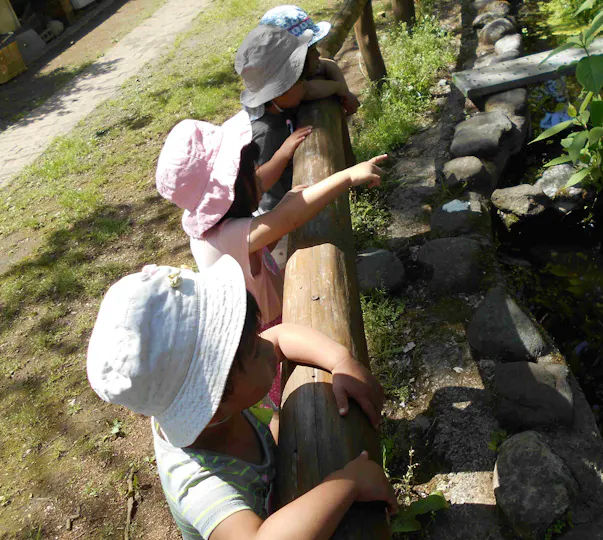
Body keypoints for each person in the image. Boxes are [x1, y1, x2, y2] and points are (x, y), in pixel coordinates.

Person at [86, 256, 397, 539]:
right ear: (212, 398)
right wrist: (347, 484)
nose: (266, 345)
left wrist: (340, 360)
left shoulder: (218, 405)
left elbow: (280, 336)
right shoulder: (202, 486)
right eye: (253, 348)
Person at [155, 110, 387, 411]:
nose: (258, 173)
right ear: (230, 194)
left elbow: (261, 187)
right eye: (250, 170)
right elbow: (287, 219)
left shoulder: (219, 222)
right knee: (297, 397)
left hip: (272, 315)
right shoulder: (226, 234)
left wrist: (284, 152)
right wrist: (346, 177)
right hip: (265, 334)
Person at [236, 24, 358, 214]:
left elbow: (313, 87)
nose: (306, 87)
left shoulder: (280, 103)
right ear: (280, 91)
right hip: (275, 214)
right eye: (300, 82)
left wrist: (338, 89)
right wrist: (283, 154)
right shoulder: (265, 131)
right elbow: (258, 182)